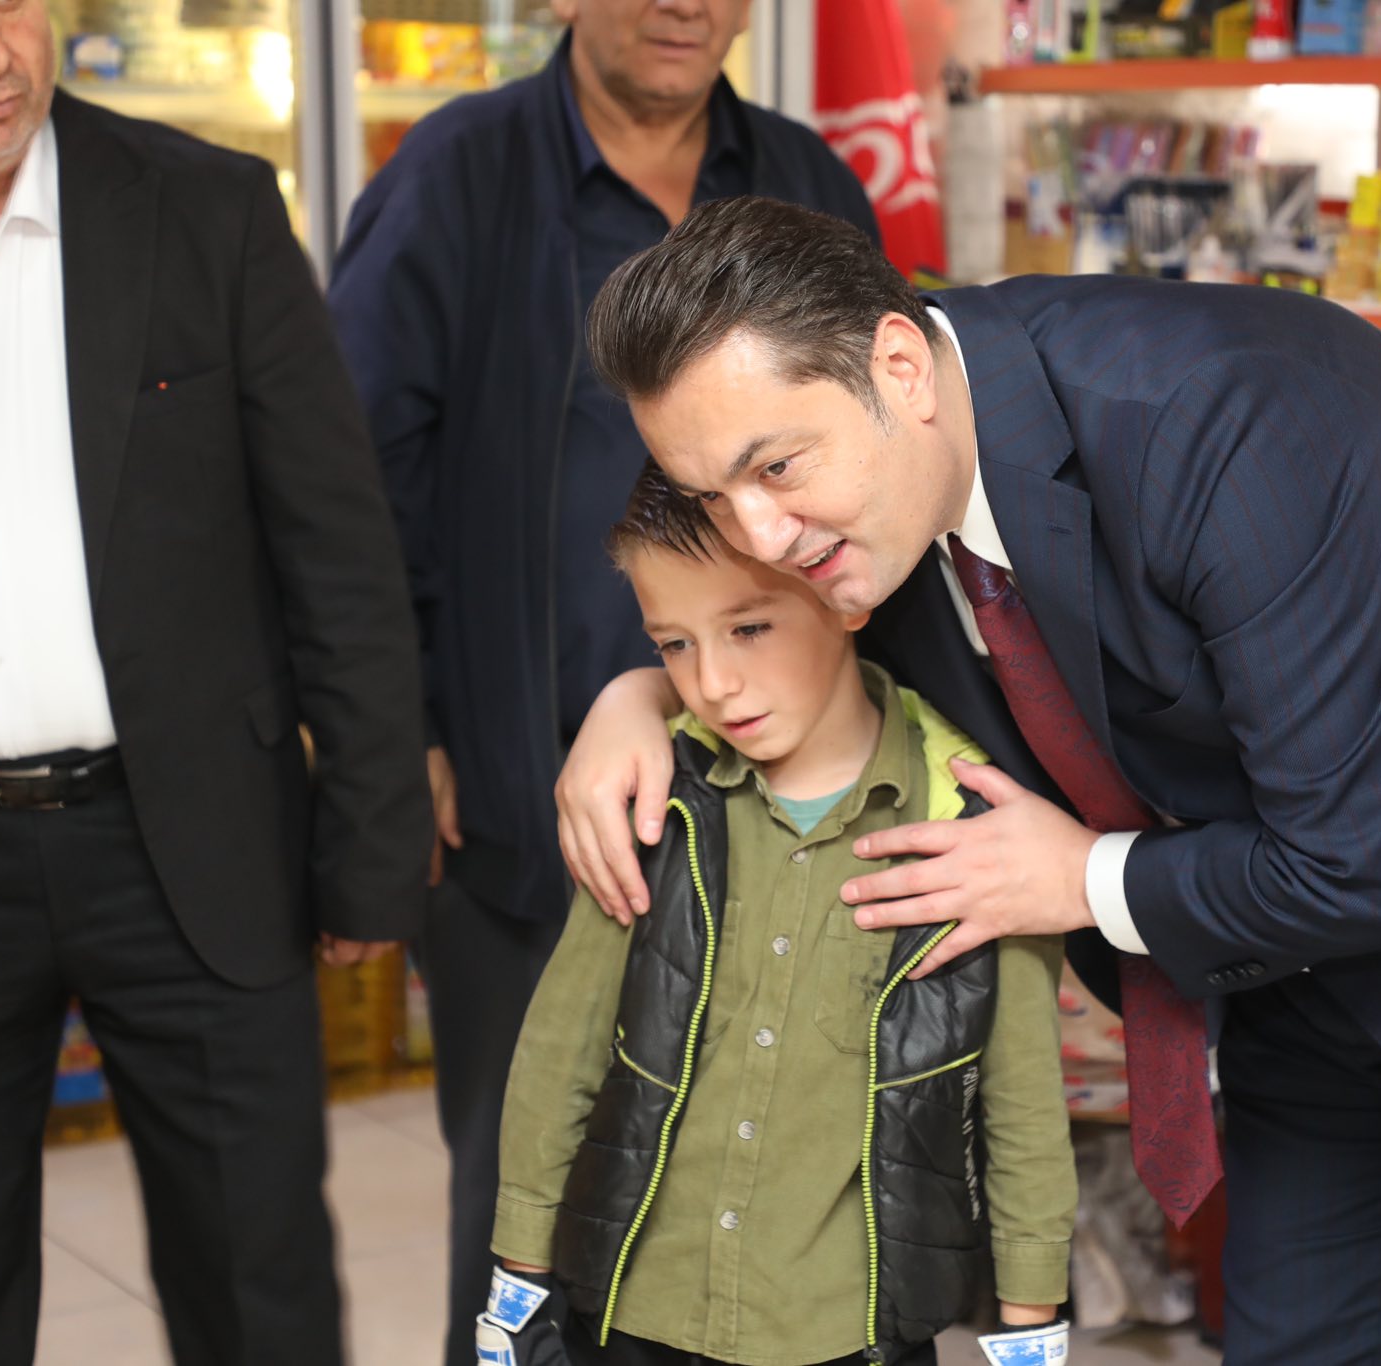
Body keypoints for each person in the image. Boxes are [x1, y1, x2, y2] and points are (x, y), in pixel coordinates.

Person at [554, 196, 1381, 1366]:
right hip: (1296, 966)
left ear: (899, 365)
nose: (758, 537)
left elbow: (1356, 858)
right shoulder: (860, 494)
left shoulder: (1225, 415)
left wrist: (1080, 878)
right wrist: (637, 696)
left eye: (776, 469)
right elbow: (730, 617)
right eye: (711, 493)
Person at [0, 1, 431, 1361]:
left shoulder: (205, 208)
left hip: (193, 839)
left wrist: (371, 848)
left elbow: (337, 550)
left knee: (259, 1295)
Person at [325, 5, 876, 1358]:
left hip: (781, 814)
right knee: (532, 1212)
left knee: (766, 1203)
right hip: (525, 812)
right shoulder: (455, 174)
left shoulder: (806, 177)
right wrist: (406, 733)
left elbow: (884, 464)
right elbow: (348, 479)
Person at [474, 466, 1075, 1366]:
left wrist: (1031, 1329)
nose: (713, 683)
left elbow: (1021, 1102)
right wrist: (517, 1288)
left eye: (750, 628)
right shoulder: (655, 799)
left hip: (853, 1330)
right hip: (638, 1313)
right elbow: (563, 1047)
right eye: (674, 645)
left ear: (843, 593)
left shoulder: (977, 830)